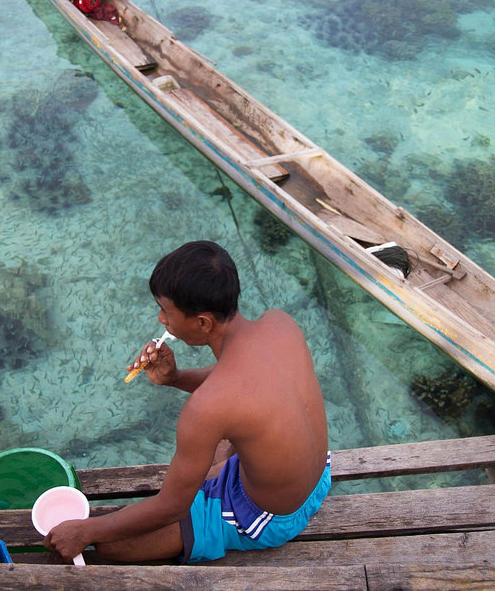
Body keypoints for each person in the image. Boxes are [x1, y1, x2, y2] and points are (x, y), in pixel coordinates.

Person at [45, 240, 329, 563]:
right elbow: (244, 380)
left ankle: (223, 520)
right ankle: (220, 479)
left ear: (203, 323)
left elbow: (172, 507)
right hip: (319, 477)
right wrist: (175, 377)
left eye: (166, 311)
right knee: (221, 448)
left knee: (111, 545)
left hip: (273, 517)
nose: (161, 319)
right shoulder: (280, 323)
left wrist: (85, 532)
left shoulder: (207, 407)